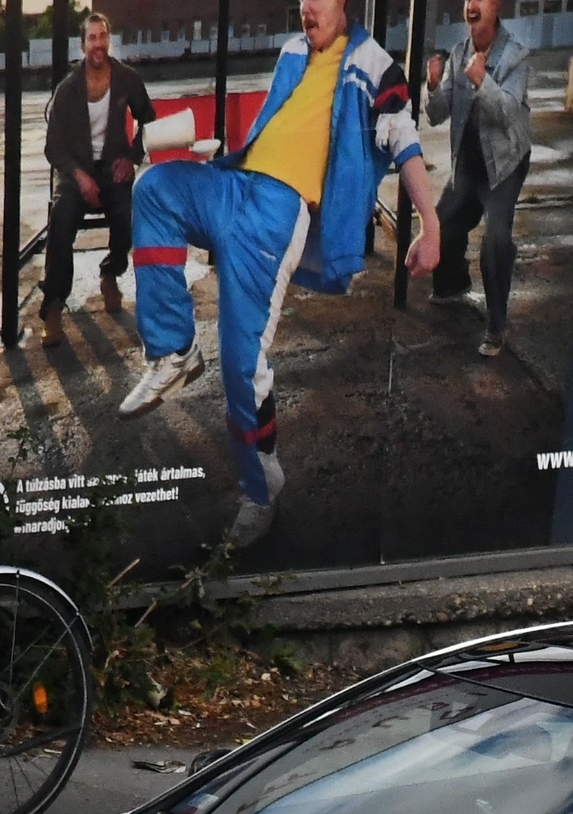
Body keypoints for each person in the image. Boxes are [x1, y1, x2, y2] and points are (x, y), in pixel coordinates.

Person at [115, 0, 440, 546]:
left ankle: (261, 492)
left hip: (276, 215)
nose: (305, 7)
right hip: (235, 184)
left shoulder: (374, 63)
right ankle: (174, 349)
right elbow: (277, 127)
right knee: (154, 190)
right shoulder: (292, 51)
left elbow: (405, 141)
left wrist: (430, 226)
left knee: (242, 367)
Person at [41, 10, 156, 346]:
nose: (98, 44)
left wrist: (132, 159)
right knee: (61, 219)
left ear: (109, 39)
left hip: (113, 168)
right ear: (83, 45)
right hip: (76, 171)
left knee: (127, 214)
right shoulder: (67, 90)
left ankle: (110, 272)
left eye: (103, 36)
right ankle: (53, 306)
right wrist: (78, 176)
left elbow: (148, 120)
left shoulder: (127, 79)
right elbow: (53, 147)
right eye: (92, 38)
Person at [426, 0, 530, 356]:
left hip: (503, 165)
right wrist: (433, 84)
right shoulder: (459, 54)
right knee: (439, 227)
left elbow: (510, 114)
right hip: (470, 164)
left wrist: (482, 81)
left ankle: (497, 326)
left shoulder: (515, 55)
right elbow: (436, 115)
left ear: (496, 5)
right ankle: (454, 285)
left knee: (496, 241)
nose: (471, 5)